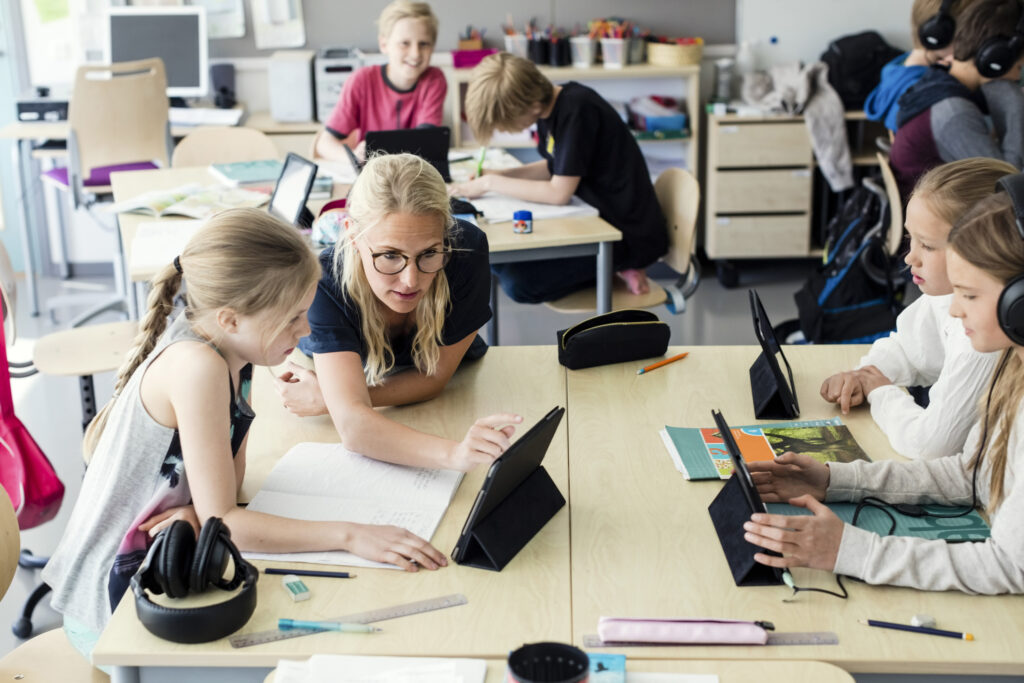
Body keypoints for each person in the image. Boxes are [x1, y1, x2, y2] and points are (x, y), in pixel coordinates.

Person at [41, 209, 450, 662]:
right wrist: (353, 535)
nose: (307, 330)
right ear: (231, 319)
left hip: (164, 568)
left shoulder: (233, 352)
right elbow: (229, 522)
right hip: (113, 609)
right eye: (293, 318)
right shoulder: (198, 367)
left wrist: (201, 513)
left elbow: (227, 495)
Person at [744, 186, 1024, 594]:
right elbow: (971, 476)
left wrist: (855, 552)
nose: (956, 309)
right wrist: (833, 480)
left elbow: (1009, 565)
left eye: (969, 295)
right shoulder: (1011, 364)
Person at [274, 153, 522, 471]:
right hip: (348, 366)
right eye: (390, 255)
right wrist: (454, 455)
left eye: (429, 253)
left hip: (453, 390)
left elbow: (434, 378)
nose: (410, 281)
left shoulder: (465, 248)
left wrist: (335, 400)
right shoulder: (324, 280)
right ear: (352, 235)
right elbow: (353, 428)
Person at [821, 158, 1017, 460]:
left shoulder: (983, 338)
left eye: (927, 245)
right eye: (911, 238)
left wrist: (881, 393)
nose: (910, 257)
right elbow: (909, 346)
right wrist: (864, 375)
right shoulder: (946, 296)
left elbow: (929, 446)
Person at [448, 52, 667, 301]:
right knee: (497, 262)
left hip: (623, 233)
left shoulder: (577, 110)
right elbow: (557, 166)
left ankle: (621, 266)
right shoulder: (549, 109)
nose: (503, 129)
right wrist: (500, 174)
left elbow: (558, 192)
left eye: (504, 122)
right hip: (592, 217)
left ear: (529, 106)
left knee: (517, 283)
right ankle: (614, 267)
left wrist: (491, 182)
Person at [890, 0, 1024, 197]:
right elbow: (1007, 187)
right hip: (933, 221)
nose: (1016, 78)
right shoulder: (954, 112)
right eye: (1019, 68)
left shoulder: (938, 80)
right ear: (996, 60)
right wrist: (1012, 99)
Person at [314, 1, 447, 162]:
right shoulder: (361, 81)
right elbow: (324, 143)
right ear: (384, 44)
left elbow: (425, 142)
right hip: (373, 176)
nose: (415, 54)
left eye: (424, 44)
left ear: (432, 47)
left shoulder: (434, 80)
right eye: (404, 43)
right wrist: (354, 157)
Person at [864, 0, 975, 132]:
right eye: (969, 33)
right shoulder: (920, 92)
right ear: (939, 35)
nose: (974, 40)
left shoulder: (898, 68)